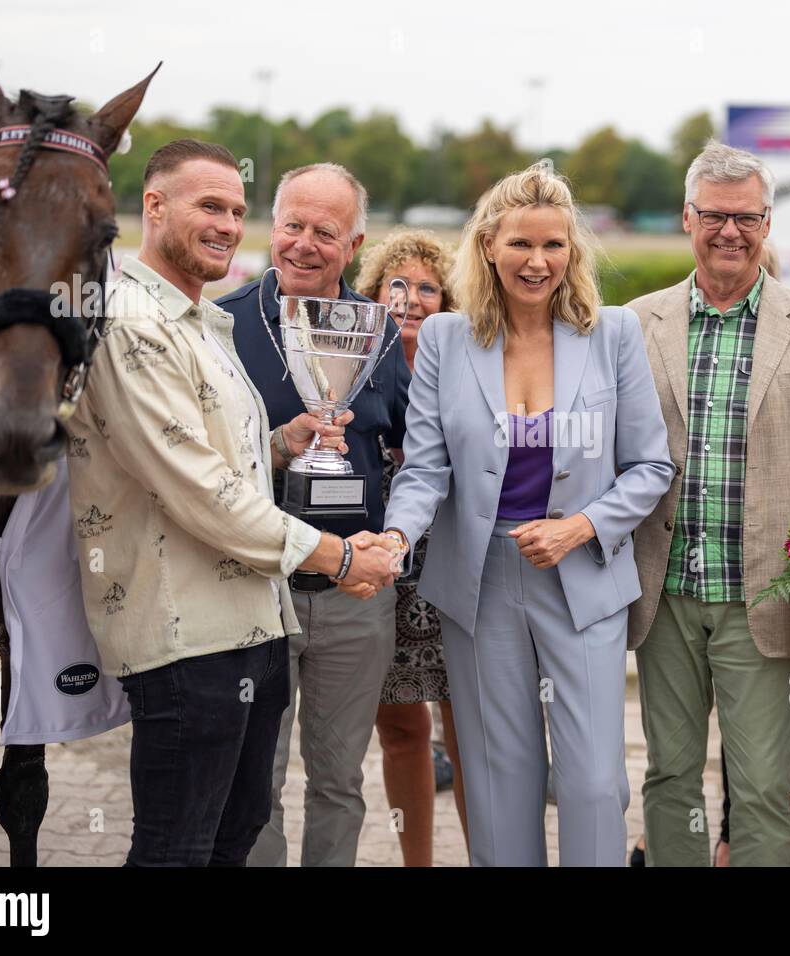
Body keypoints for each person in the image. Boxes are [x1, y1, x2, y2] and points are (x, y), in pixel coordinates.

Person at [65, 140, 397, 867]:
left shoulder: (200, 323)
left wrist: (283, 443)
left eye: (237, 210)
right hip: (187, 638)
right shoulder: (129, 324)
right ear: (152, 207)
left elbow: (226, 465)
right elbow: (199, 490)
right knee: (175, 850)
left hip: (249, 625)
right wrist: (339, 555)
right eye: (209, 206)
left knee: (231, 839)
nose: (227, 224)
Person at [381, 163, 674, 866]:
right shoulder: (449, 340)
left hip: (582, 578)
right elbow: (425, 469)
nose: (536, 262)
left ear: (573, 250)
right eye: (520, 245)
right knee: (496, 781)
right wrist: (395, 535)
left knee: (596, 784)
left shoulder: (615, 335)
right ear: (488, 245)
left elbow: (652, 467)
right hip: (478, 585)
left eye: (553, 245)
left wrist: (583, 525)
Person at [626, 142, 790, 867]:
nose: (731, 231)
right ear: (689, 217)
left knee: (760, 786)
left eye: (747, 217)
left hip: (766, 597)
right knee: (669, 775)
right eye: (715, 216)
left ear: (767, 221)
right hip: (664, 593)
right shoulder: (635, 325)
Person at [220, 163, 410, 868]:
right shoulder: (223, 324)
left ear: (354, 242)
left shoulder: (381, 334)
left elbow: (417, 451)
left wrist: (395, 543)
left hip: (355, 592)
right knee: (254, 784)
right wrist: (277, 448)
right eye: (291, 225)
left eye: (324, 232)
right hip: (252, 588)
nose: (303, 244)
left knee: (339, 782)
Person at [353, 228, 469, 865]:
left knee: (469, 737)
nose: (411, 298)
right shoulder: (348, 371)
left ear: (449, 302)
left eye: (429, 287)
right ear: (372, 297)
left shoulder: (471, 367)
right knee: (401, 732)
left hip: (455, 578)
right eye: (396, 285)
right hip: (385, 575)